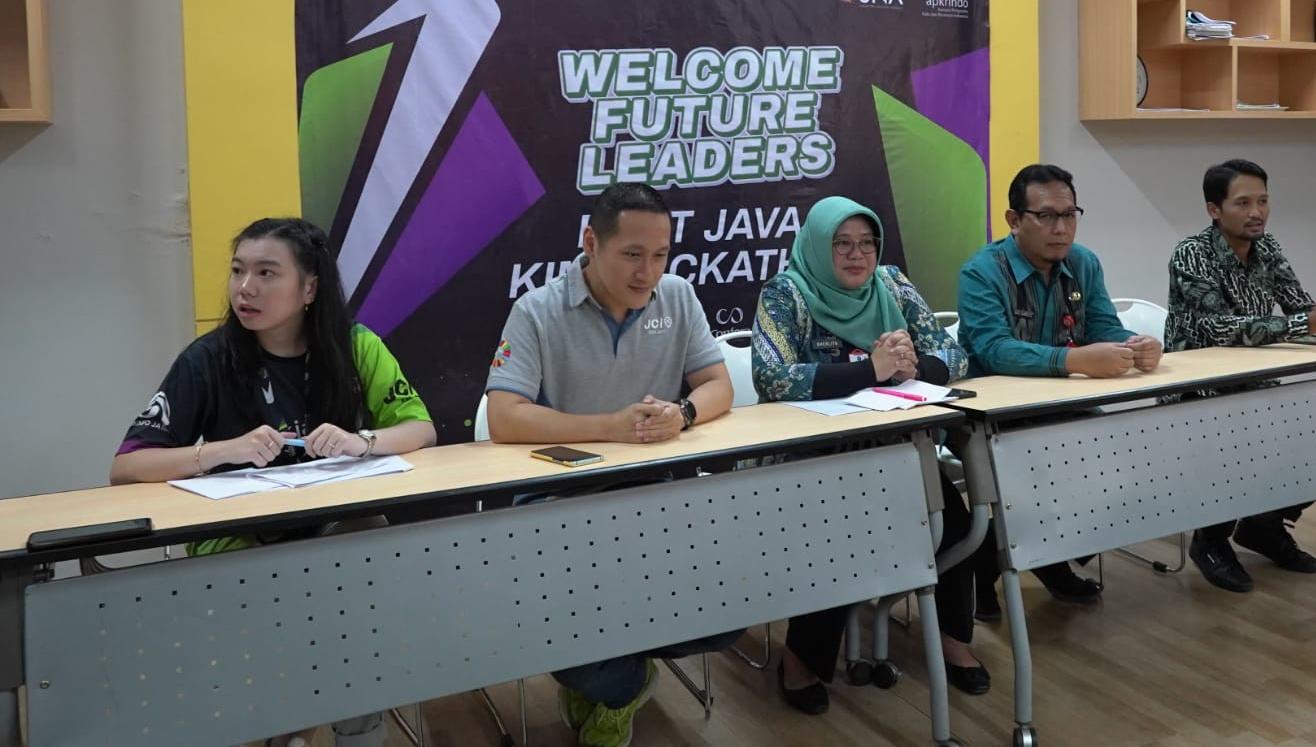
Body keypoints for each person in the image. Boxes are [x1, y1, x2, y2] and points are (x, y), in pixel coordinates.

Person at [112, 216, 436, 747]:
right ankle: (297, 730)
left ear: (309, 288)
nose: (245, 288)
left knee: (361, 571)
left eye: (266, 273)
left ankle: (318, 732)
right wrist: (222, 452)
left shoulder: (355, 346)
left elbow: (420, 428)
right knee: (336, 620)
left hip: (332, 532)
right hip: (237, 541)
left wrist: (363, 441)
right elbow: (127, 467)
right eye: (238, 271)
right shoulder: (207, 359)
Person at [485, 182, 739, 747]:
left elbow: (718, 386)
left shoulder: (677, 297)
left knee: (729, 616)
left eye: (660, 255)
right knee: (558, 636)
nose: (647, 273)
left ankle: (610, 666)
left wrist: (683, 413)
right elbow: (504, 416)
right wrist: (611, 426)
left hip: (656, 497)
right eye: (632, 254)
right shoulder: (537, 310)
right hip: (559, 502)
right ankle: (622, 683)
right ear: (591, 243)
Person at [752, 197, 989, 711]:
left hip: (895, 448)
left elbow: (954, 353)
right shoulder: (786, 293)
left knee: (954, 523)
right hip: (815, 459)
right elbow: (771, 378)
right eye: (842, 243)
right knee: (838, 538)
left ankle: (952, 639)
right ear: (818, 245)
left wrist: (917, 368)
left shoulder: (892, 284)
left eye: (867, 243)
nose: (857, 255)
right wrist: (870, 371)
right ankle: (801, 658)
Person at [1166, 158, 1316, 593]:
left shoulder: (1269, 249)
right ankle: (1211, 539)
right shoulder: (1192, 254)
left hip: (1256, 385)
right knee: (1241, 438)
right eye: (1243, 203)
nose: (1257, 213)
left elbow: (1301, 311)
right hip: (1197, 392)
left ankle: (1264, 525)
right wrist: (1309, 324)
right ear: (1214, 210)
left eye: (1263, 201)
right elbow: (1219, 329)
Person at [957, 164, 1162, 618]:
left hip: (1060, 407)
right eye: (1046, 216)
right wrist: (1073, 361)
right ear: (1014, 220)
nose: (1061, 228)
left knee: (1120, 470)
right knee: (1044, 475)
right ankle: (983, 570)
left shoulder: (1083, 263)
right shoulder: (981, 271)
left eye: (1069, 215)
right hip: (990, 415)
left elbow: (1103, 327)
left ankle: (1046, 557)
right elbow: (993, 350)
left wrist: (1135, 344)